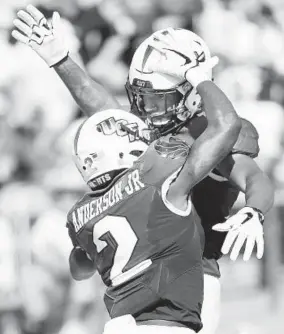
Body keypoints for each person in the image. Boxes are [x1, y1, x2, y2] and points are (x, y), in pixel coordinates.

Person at [11, 6, 273, 334]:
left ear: (192, 94)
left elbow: (252, 176)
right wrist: (60, 59)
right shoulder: (160, 133)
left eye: (157, 99)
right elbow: (104, 110)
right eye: (141, 97)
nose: (146, 109)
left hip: (190, 277)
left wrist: (255, 210)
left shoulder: (208, 133)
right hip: (140, 279)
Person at [67, 95, 240, 334]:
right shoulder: (154, 176)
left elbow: (79, 270)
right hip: (167, 326)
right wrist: (198, 77)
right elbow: (227, 126)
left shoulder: (78, 214)